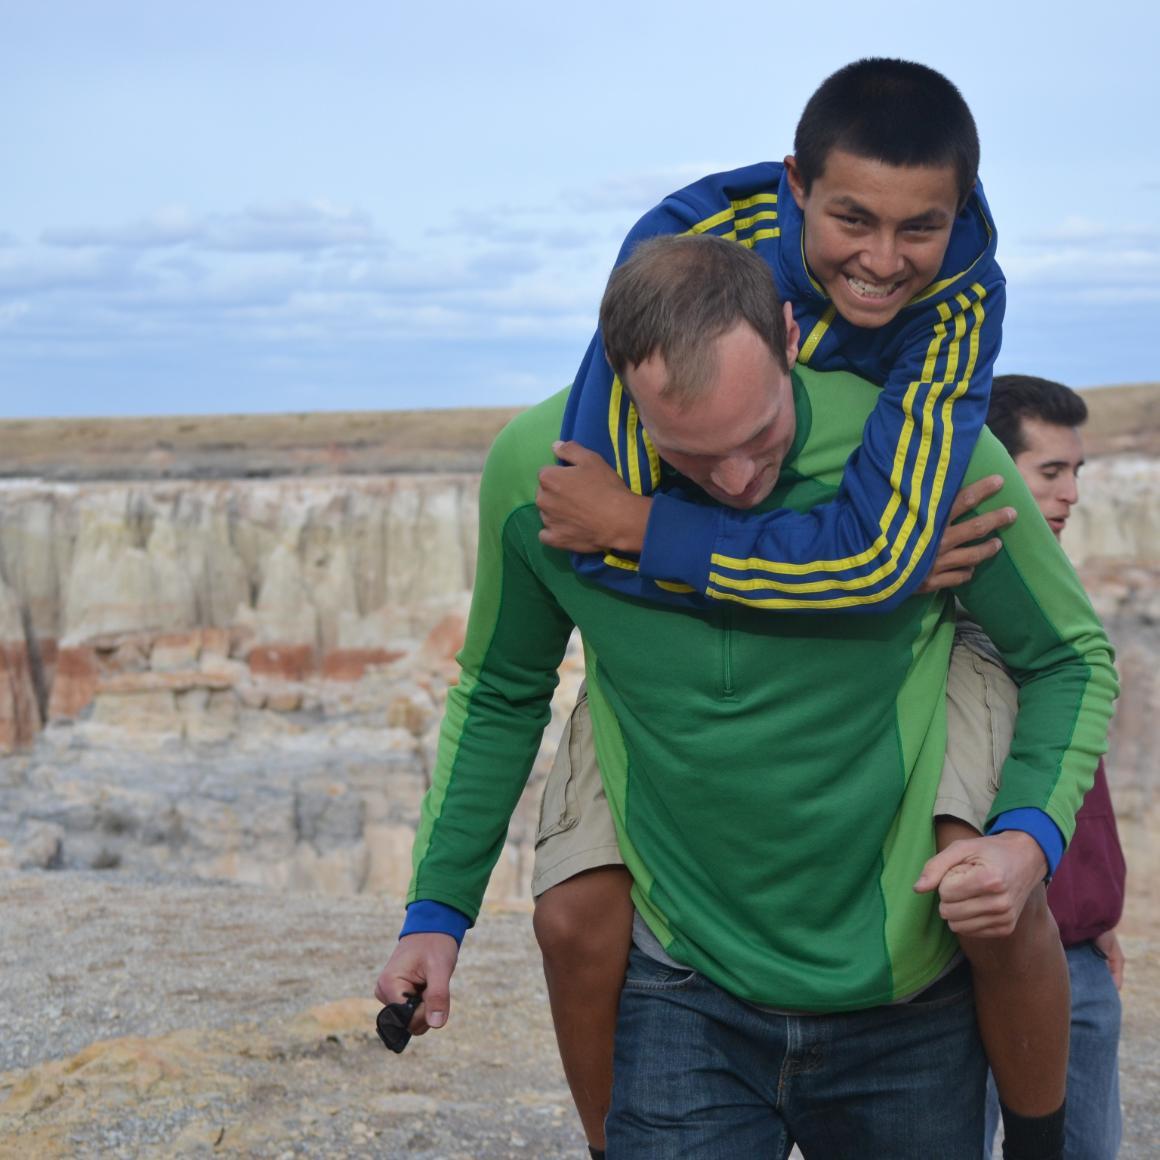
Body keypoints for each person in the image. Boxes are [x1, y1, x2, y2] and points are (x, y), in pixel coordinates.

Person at [376, 236, 1117, 1158]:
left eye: (759, 437)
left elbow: (1071, 658)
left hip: (903, 1002)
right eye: (691, 453)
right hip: (683, 986)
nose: (734, 481)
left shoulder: (923, 460)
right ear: (623, 390)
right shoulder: (544, 483)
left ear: (790, 334)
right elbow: (500, 692)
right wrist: (436, 916)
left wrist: (1025, 839)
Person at [533, 58, 1064, 1160]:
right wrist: (859, 569)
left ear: (959, 209)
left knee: (979, 870)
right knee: (574, 908)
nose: (881, 262)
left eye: (919, 226)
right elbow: (592, 533)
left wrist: (651, 532)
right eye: (850, 220)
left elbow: (648, 534)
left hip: (893, 666)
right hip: (713, 723)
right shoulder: (674, 251)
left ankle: (1043, 1127)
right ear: (792, 186)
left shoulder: (965, 292)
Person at [974, 374, 1128, 1158]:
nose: (1071, 494)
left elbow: (1079, 780)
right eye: (1052, 472)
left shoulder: (1057, 597)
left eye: (1078, 473)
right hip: (965, 966)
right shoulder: (944, 607)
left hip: (1075, 957)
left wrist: (1093, 907)